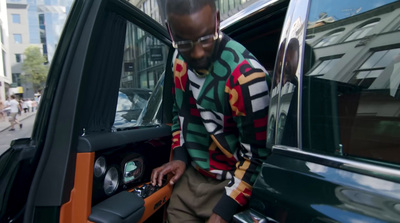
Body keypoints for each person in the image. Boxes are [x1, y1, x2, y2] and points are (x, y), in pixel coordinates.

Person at [151, 0, 270, 222]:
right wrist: (180, 157)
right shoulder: (178, 61)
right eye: (184, 42)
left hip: (231, 185)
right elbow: (180, 114)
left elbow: (257, 157)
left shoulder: (247, 77)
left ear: (216, 20)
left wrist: (225, 208)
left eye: (205, 38)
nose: (196, 53)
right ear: (170, 31)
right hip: (190, 179)